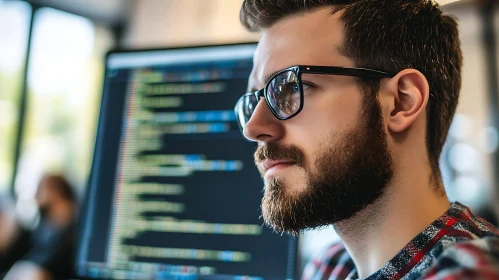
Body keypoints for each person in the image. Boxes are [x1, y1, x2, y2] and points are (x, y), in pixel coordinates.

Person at [234, 0, 499, 279]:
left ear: (400, 102)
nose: (253, 128)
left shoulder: (474, 271)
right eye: (256, 99)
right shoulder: (331, 267)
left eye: (291, 87)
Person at [4, 174, 78, 280]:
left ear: (56, 191)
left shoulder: (72, 225)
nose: (35, 195)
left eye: (40, 189)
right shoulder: (45, 221)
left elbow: (54, 261)